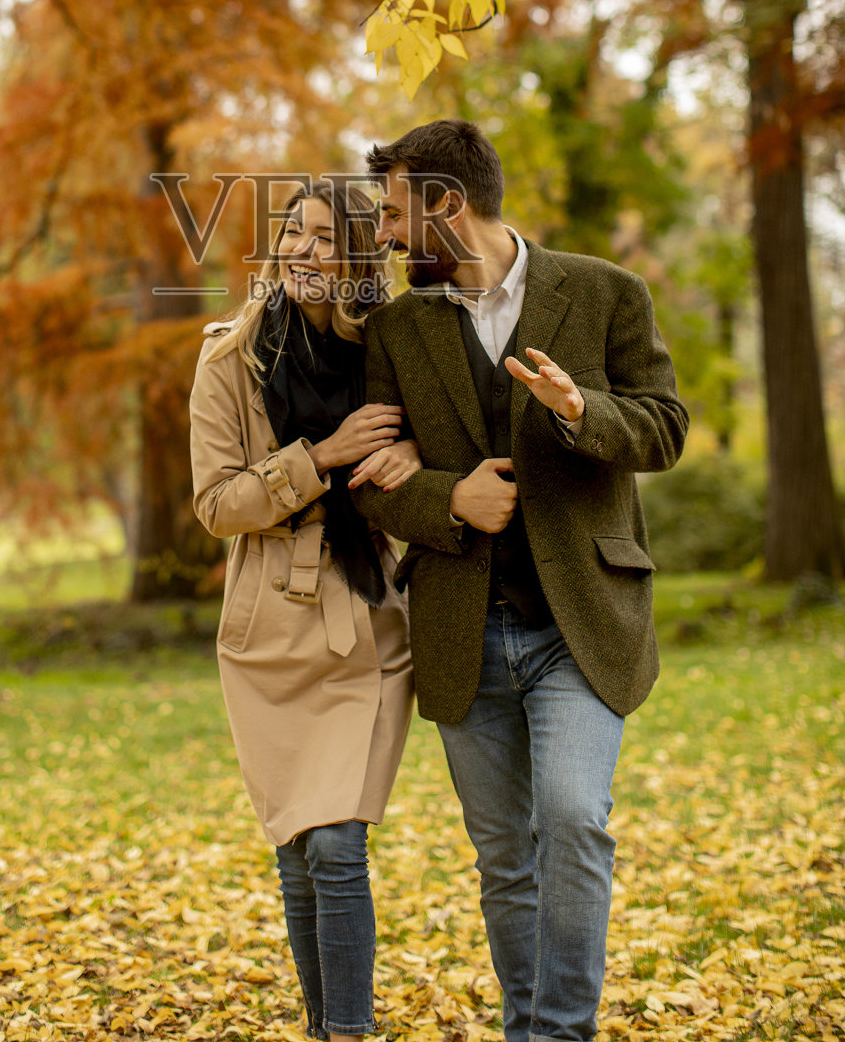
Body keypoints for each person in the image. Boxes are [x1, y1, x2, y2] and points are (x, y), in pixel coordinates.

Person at [352, 119, 688, 1042]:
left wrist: (583, 411)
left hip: (580, 624)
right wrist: (447, 497)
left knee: (574, 823)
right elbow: (376, 486)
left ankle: (557, 1033)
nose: (383, 233)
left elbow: (663, 427)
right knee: (503, 856)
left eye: (393, 213)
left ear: (447, 206)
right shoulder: (396, 327)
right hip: (463, 628)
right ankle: (526, 1028)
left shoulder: (605, 293)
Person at [189, 179, 417, 1042]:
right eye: (293, 234)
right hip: (268, 625)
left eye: (325, 239)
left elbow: (427, 455)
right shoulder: (228, 357)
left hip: (365, 615)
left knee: (336, 846)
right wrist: (318, 458)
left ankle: (349, 1033)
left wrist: (408, 459)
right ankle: (325, 1030)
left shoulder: (390, 354)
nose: (303, 253)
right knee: (295, 848)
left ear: (359, 261)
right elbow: (215, 505)